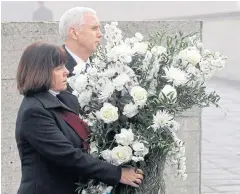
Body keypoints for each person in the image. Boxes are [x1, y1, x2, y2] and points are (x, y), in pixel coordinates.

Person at [15, 42, 144, 194]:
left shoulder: (65, 99)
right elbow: (67, 155)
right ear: (41, 72)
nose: (66, 72)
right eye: (59, 68)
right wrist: (117, 173)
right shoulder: (34, 111)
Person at [56, 7, 101, 112]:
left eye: (99, 28)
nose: (100, 34)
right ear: (74, 33)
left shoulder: (104, 66)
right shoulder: (54, 68)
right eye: (94, 28)